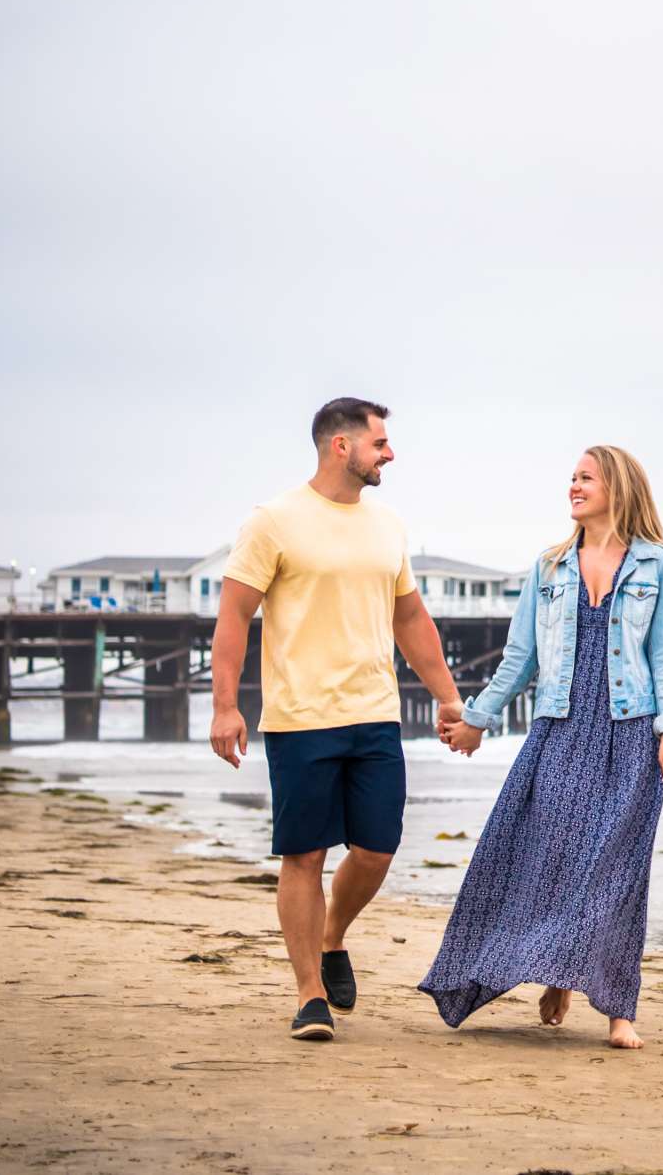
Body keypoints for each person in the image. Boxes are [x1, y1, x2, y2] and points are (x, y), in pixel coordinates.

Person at [207, 397, 466, 1043]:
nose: (391, 453)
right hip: (300, 718)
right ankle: (310, 995)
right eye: (380, 442)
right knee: (304, 855)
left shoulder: (388, 527)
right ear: (341, 447)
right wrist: (225, 705)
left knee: (377, 849)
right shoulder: (275, 521)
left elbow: (410, 618)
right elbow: (235, 614)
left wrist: (447, 695)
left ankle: (332, 936)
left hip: (374, 715)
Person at [420, 444, 663, 1049]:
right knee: (541, 860)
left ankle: (621, 1011)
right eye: (571, 478)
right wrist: (477, 718)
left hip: (629, 732)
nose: (574, 486)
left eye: (586, 478)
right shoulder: (549, 568)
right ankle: (557, 973)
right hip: (561, 731)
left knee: (615, 871)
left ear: (617, 488)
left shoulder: (656, 566)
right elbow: (522, 657)